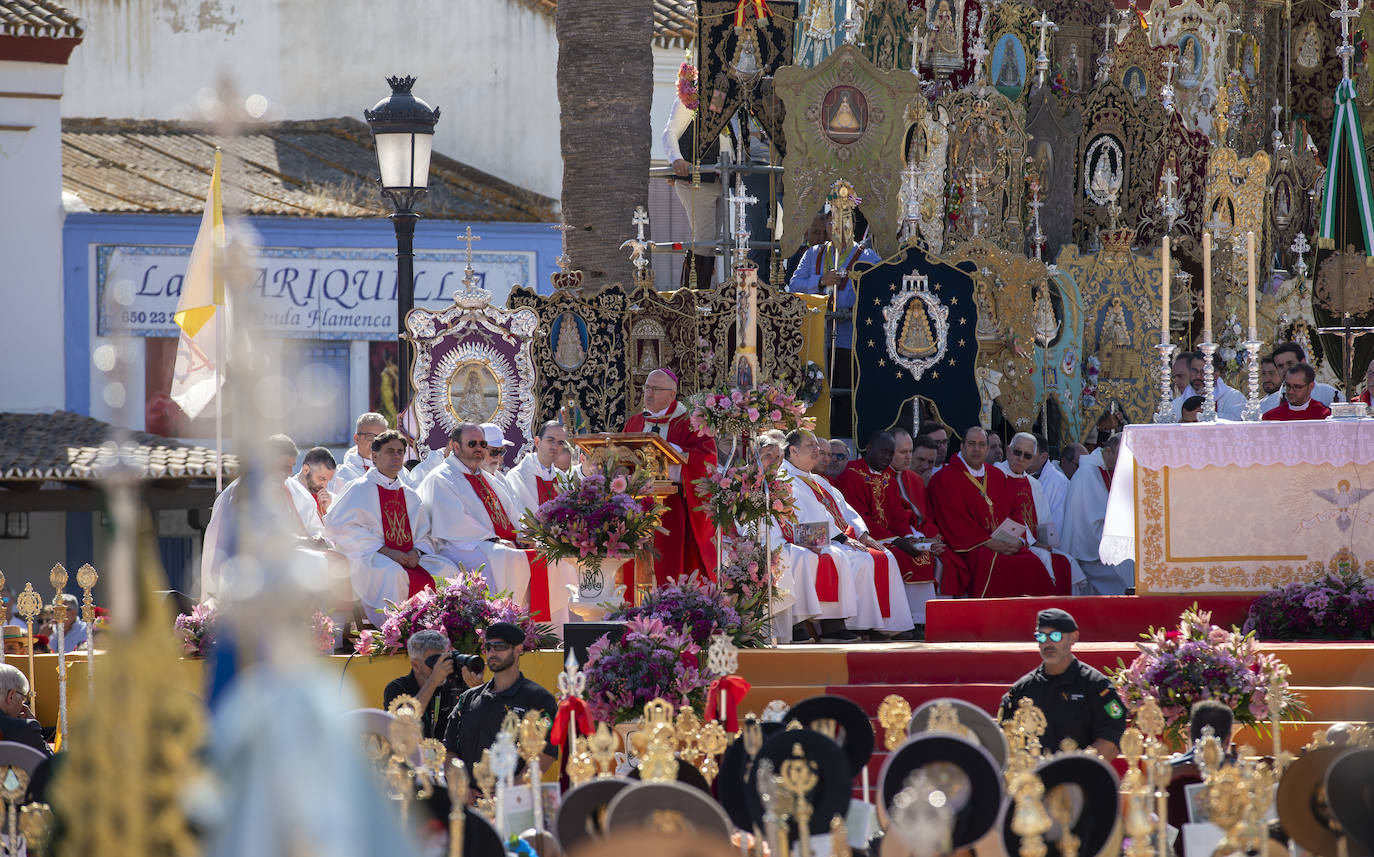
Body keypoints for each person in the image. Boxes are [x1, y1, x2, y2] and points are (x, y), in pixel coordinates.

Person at [772, 430, 908, 642]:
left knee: (884, 556)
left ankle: (879, 625)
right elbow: (802, 521)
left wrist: (862, 534)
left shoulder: (819, 480)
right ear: (793, 451)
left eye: (818, 446)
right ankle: (835, 626)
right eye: (812, 445)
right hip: (807, 540)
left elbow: (847, 511)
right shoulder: (785, 479)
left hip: (829, 538)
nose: (817, 450)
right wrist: (843, 539)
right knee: (849, 558)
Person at [419, 424, 552, 621]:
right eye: (472, 444)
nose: (479, 449)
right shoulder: (442, 477)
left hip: (485, 543)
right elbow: (454, 524)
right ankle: (502, 623)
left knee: (546, 556)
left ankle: (542, 627)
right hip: (457, 546)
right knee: (507, 557)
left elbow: (510, 514)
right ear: (455, 446)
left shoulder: (486, 477)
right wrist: (493, 541)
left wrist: (523, 537)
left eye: (482, 444)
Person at [325, 430, 459, 617]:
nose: (396, 456)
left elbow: (425, 532)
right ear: (375, 456)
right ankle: (396, 628)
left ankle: (441, 624)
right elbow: (340, 527)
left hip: (408, 557)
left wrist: (416, 551)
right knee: (392, 574)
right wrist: (386, 551)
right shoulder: (358, 488)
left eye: (400, 452)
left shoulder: (410, 495)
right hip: (371, 554)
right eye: (390, 451)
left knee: (447, 569)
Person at [928, 427, 1064, 598]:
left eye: (982, 444)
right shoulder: (945, 478)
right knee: (998, 564)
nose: (977, 449)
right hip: (972, 548)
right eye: (971, 444)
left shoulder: (996, 475)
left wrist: (1019, 541)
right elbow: (953, 520)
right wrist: (987, 542)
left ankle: (1036, 617)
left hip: (1004, 543)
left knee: (1031, 562)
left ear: (986, 448)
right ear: (962, 447)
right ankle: (994, 619)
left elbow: (1016, 512)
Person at [833, 431, 945, 638]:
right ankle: (887, 625)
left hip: (890, 537)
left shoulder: (888, 477)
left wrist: (909, 537)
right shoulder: (851, 474)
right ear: (868, 448)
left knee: (921, 554)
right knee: (897, 556)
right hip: (864, 538)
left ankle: (918, 619)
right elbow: (858, 518)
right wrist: (896, 540)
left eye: (890, 453)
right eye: (883, 452)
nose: (887, 457)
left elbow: (897, 517)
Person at [788, 192, 880, 438]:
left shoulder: (868, 258)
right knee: (815, 393)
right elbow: (794, 286)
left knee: (845, 398)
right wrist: (820, 281)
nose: (834, 227)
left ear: (851, 225)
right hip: (816, 339)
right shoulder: (813, 254)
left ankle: (843, 445)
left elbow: (875, 293)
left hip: (848, 340)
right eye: (831, 222)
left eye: (841, 221)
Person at [622, 369, 719, 583]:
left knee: (670, 564)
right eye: (646, 387)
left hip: (672, 507)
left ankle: (670, 605)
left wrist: (672, 451)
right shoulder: (636, 422)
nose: (648, 393)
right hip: (636, 506)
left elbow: (706, 460)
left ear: (672, 394)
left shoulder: (689, 422)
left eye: (655, 389)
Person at [998, 608, 1125, 760]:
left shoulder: (1096, 687)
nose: (1048, 643)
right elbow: (1004, 738)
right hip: (1032, 779)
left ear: (1073, 638)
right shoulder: (1022, 690)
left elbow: (1110, 741)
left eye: (1055, 636)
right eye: (1041, 636)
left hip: (1078, 778)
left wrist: (1067, 770)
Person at [443, 622, 557, 775]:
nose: (492, 652)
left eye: (500, 646)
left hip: (512, 795)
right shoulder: (469, 698)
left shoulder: (538, 699)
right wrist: (461, 786)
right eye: (488, 647)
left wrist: (510, 791)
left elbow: (546, 754)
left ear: (518, 649)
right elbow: (450, 748)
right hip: (468, 796)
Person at [995, 433, 1077, 594]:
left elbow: (1045, 517)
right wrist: (1032, 543)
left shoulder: (1033, 484)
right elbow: (999, 516)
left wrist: (1047, 543)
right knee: (1043, 558)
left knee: (1068, 562)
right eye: (1017, 452)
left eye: (1027, 456)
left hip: (1033, 544)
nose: (1020, 459)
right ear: (1008, 450)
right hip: (1005, 543)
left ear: (1033, 459)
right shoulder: (994, 475)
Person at [1060, 433, 1133, 594]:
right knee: (1126, 570)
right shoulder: (1087, 473)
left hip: (1104, 540)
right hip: (1089, 550)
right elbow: (1086, 521)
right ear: (1107, 451)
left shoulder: (1107, 469)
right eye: (1120, 456)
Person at [383, 629, 474, 740]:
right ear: (415, 665)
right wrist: (433, 681)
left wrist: (477, 685)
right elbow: (403, 723)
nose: (441, 666)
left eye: (443, 659)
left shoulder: (453, 683)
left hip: (448, 754)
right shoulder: (396, 688)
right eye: (434, 661)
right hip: (413, 754)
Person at [506, 420, 568, 517]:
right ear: (537, 442)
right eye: (550, 440)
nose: (555, 446)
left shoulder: (561, 476)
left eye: (560, 443)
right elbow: (519, 518)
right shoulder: (517, 476)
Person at [1260, 342, 1341, 414]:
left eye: (1290, 363)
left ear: (1303, 362)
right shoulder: (1267, 405)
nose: (1286, 370)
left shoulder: (1330, 395)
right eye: (1281, 366)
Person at [331, 412, 389, 493]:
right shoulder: (345, 473)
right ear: (356, 438)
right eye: (370, 436)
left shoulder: (397, 469)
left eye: (382, 437)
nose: (376, 442)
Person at [0, 664, 47, 756]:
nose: (23, 705)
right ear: (11, 696)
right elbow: (52, 766)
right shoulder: (24, 729)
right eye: (23, 699)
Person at [1030, 433, 1069, 539]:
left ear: (1043, 457)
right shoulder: (1008, 471)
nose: (1022, 458)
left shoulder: (1058, 482)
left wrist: (1043, 544)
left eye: (1029, 454)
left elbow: (1056, 520)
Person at [1263, 363, 1331, 421]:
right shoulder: (1271, 418)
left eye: (1297, 387)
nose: (1291, 391)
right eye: (1288, 386)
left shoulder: (1324, 416)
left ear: (1311, 386)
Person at [294, 447, 337, 518]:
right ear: (306, 470)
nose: (325, 485)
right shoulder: (289, 492)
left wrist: (329, 510)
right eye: (321, 479)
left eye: (328, 481)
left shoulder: (330, 499)